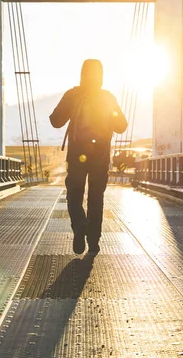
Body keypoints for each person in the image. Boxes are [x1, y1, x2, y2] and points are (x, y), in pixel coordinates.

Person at [49, 59, 128, 255]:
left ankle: (79, 225)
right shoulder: (107, 97)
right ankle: (93, 241)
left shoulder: (74, 94)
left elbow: (56, 121)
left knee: (74, 195)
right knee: (96, 197)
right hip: (100, 156)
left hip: (77, 156)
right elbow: (122, 126)